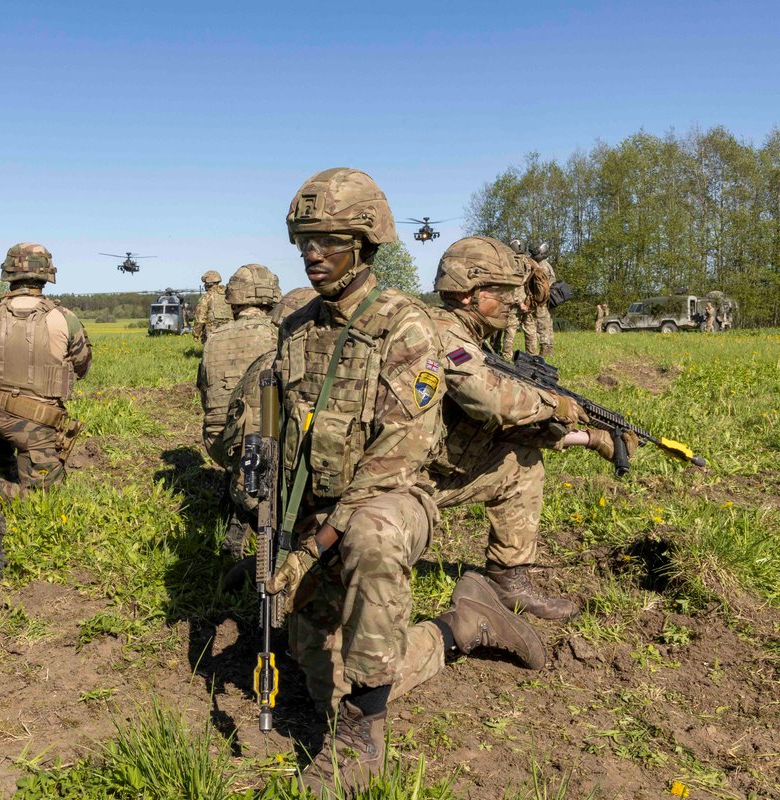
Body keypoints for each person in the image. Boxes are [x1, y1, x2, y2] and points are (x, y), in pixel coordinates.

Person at [264, 168, 547, 794]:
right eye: (304, 242)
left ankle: (364, 738)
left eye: (330, 241)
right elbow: (281, 437)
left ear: (365, 245)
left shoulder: (406, 327)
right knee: (323, 682)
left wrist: (314, 547)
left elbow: (395, 460)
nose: (314, 256)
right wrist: (270, 527)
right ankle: (464, 626)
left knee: (375, 532)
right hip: (317, 511)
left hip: (392, 501)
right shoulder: (295, 329)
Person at [427, 236, 638, 620]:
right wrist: (556, 404)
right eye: (502, 293)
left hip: (422, 469)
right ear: (467, 293)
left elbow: (498, 427)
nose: (512, 303)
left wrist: (589, 436)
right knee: (521, 467)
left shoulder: (463, 334)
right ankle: (506, 584)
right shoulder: (444, 337)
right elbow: (490, 401)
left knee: (522, 460)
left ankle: (508, 581)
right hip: (400, 487)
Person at [0, 243, 91, 495]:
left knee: (1, 476)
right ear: (46, 274)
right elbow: (82, 364)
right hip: (39, 425)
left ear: (9, 274)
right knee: (43, 500)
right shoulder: (64, 318)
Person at [196, 264, 282, 557]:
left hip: (218, 443)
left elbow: (204, 393)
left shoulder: (214, 339)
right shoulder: (277, 337)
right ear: (270, 297)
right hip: (257, 445)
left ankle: (237, 491)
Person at [500, 239, 539, 359]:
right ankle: (533, 356)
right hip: (530, 302)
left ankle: (507, 355)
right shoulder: (532, 262)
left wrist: (519, 302)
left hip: (516, 303)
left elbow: (514, 285)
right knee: (531, 330)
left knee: (510, 330)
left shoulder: (513, 263)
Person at [191, 270, 233, 342]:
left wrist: (196, 334)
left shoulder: (207, 297)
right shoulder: (229, 295)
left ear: (207, 284)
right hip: (231, 329)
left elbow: (200, 318)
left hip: (213, 332)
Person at [530, 243, 556, 358]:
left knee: (542, 326)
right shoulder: (546, 264)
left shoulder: (542, 266)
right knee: (548, 324)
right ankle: (549, 350)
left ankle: (545, 351)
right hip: (547, 300)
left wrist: (536, 301)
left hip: (542, 302)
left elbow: (541, 288)